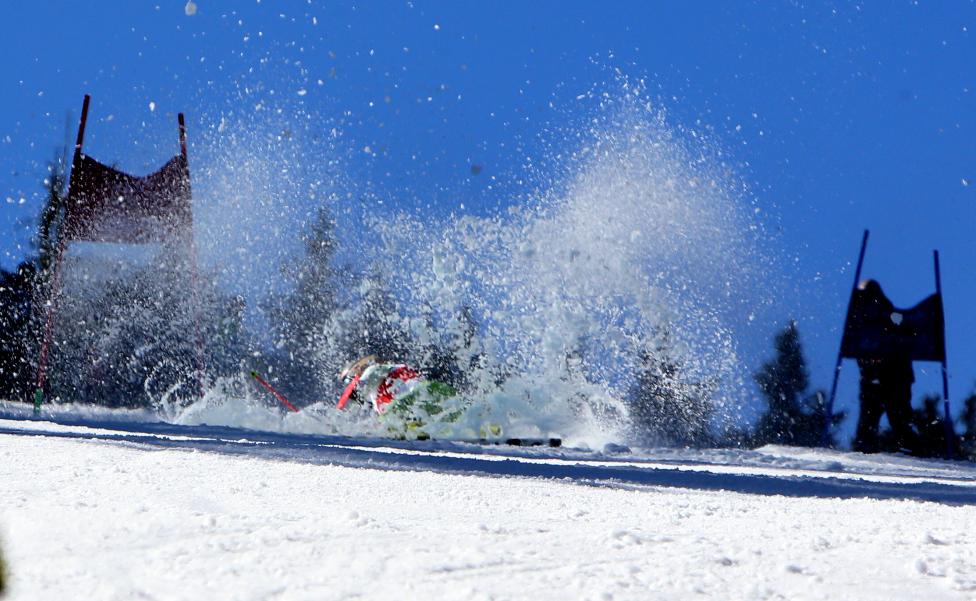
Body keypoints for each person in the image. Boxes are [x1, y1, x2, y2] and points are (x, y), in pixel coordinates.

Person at [851, 280, 917, 453]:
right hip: (877, 378)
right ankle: (867, 447)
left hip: (893, 377)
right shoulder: (862, 320)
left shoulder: (888, 317)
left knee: (896, 418)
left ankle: (907, 447)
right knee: (873, 419)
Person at [337, 355, 461, 438]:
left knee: (388, 422)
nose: (349, 385)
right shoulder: (377, 397)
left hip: (423, 393)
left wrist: (336, 421)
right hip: (436, 394)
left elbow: (356, 389)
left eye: (348, 380)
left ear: (356, 370)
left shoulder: (374, 370)